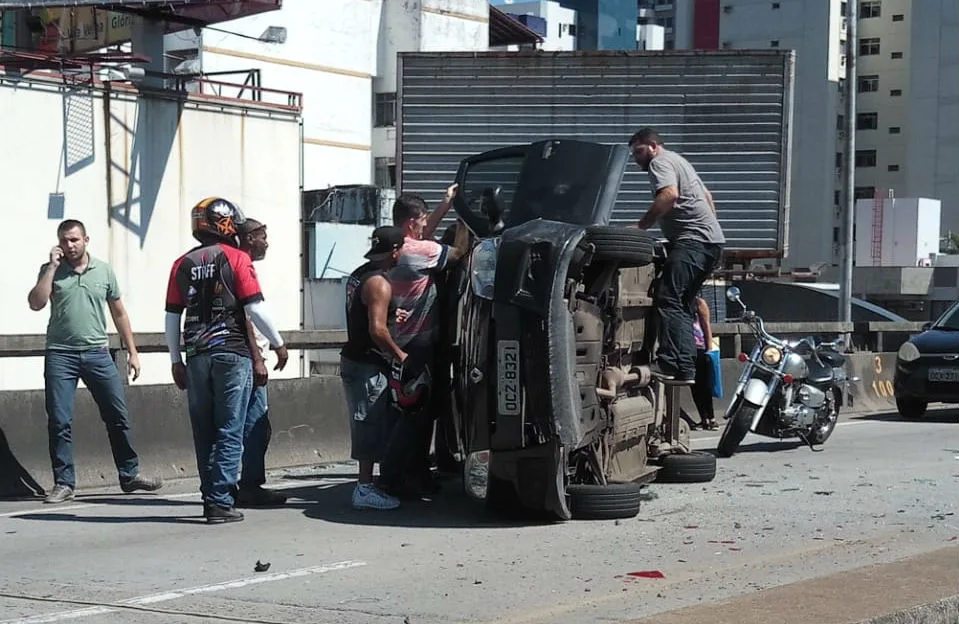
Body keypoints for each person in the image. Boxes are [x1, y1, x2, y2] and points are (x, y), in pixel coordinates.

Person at [164, 197, 288, 524]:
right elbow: (255, 308)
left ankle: (211, 496)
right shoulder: (236, 258)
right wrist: (277, 344)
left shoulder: (182, 263)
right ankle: (220, 501)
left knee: (203, 430)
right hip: (232, 353)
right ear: (226, 223)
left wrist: (176, 359)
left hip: (195, 354)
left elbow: (172, 316)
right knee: (230, 428)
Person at [27, 219, 163, 505]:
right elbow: (36, 302)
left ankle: (129, 474)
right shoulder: (50, 271)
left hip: (98, 353)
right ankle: (64, 482)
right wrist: (51, 268)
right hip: (60, 354)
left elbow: (119, 313)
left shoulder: (103, 271)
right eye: (64, 240)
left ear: (86, 240)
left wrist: (133, 351)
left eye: (75, 240)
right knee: (60, 420)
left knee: (117, 415)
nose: (70, 245)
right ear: (58, 242)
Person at [386, 189, 469, 496]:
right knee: (418, 415)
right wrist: (463, 223)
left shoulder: (397, 247)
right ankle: (402, 477)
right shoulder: (415, 252)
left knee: (413, 412)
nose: (425, 227)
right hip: (417, 345)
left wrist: (445, 204)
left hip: (400, 343)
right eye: (420, 221)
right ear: (410, 223)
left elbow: (425, 236)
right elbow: (457, 253)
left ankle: (415, 472)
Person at [629, 127, 725, 384]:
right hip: (710, 244)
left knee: (667, 297)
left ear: (652, 146)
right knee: (682, 305)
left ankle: (669, 362)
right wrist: (709, 232)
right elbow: (708, 197)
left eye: (638, 151)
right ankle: (685, 368)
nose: (636, 158)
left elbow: (670, 195)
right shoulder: (679, 160)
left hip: (693, 242)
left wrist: (641, 226)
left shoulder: (659, 162)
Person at [339, 226, 409, 511]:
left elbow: (366, 311)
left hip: (355, 359)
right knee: (368, 421)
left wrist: (393, 313)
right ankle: (364, 488)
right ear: (394, 250)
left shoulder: (360, 274)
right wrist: (401, 355)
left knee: (371, 420)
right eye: (401, 248)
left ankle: (371, 484)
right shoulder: (379, 283)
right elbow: (377, 329)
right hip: (368, 363)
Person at [235, 218, 288, 507]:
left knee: (243, 425)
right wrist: (264, 354)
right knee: (253, 424)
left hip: (237, 358)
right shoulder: (240, 265)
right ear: (248, 238)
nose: (266, 243)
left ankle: (233, 485)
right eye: (262, 237)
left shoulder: (231, 263)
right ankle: (249, 485)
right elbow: (247, 315)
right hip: (246, 358)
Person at [691, 296, 718, 430]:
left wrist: (709, 349)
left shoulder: (699, 303)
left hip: (700, 347)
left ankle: (712, 418)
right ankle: (703, 418)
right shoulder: (680, 302)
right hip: (688, 349)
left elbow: (706, 326)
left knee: (705, 385)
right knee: (694, 387)